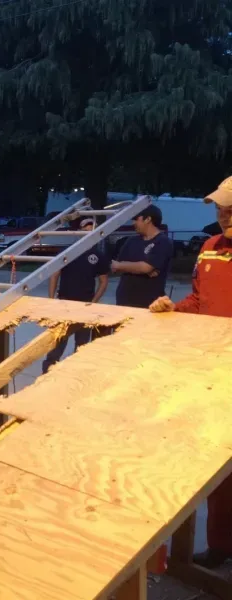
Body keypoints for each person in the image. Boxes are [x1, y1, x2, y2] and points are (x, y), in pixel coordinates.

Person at [149, 175, 232, 569]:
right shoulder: (210, 248)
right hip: (211, 372)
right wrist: (172, 308)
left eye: (231, 209)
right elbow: (199, 299)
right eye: (220, 208)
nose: (223, 215)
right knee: (217, 466)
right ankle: (220, 545)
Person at [41, 218, 109, 373]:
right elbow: (55, 274)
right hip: (64, 304)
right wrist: (51, 301)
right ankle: (47, 374)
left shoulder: (98, 255)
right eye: (84, 228)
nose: (87, 232)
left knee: (82, 346)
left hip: (85, 307)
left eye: (91, 229)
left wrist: (93, 302)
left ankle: (75, 375)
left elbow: (103, 281)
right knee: (57, 344)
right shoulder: (68, 252)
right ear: (78, 231)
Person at [111, 204, 173, 308]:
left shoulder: (163, 242)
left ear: (148, 219)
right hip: (124, 301)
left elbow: (145, 267)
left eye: (136, 219)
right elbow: (114, 267)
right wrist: (141, 268)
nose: (133, 223)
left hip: (150, 304)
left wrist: (123, 266)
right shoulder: (131, 241)